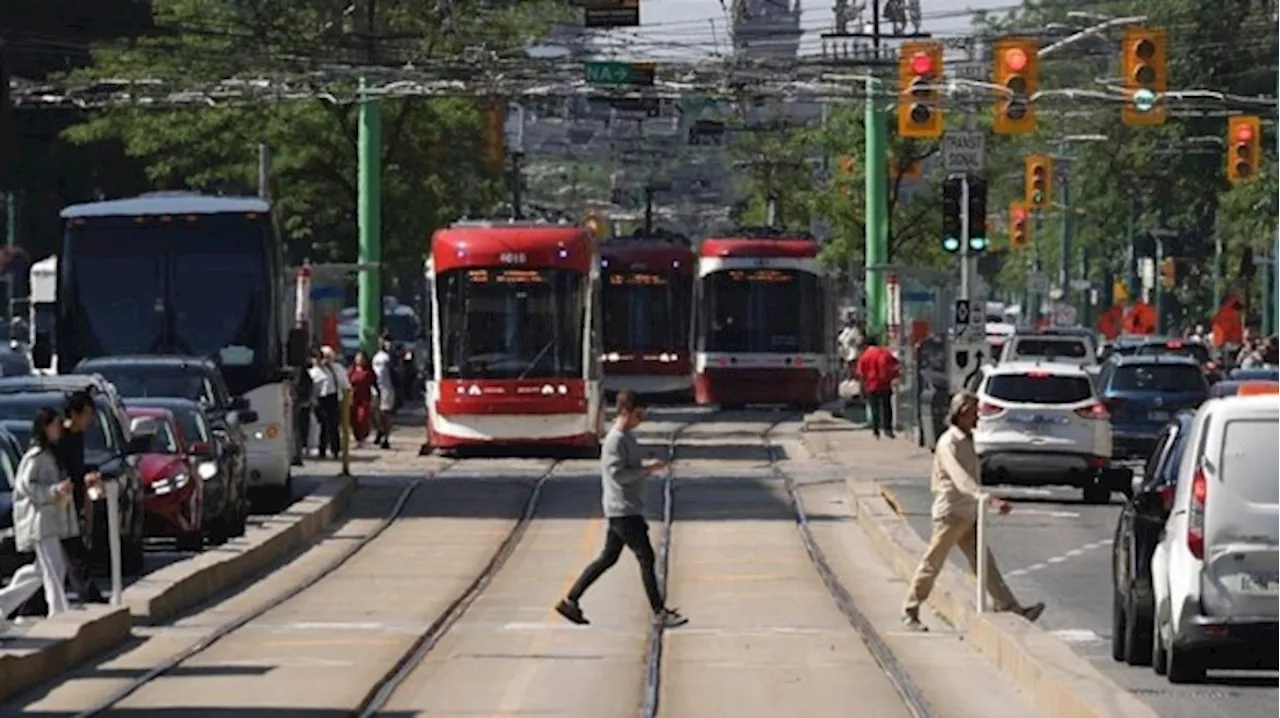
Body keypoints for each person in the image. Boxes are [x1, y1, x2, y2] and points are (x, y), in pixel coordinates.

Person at [901, 392, 1044, 631]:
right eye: (973, 413)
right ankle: (910, 610)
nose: (977, 417)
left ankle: (1010, 607)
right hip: (951, 514)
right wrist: (984, 498)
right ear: (961, 413)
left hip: (968, 513)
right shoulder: (949, 443)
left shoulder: (967, 440)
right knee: (933, 562)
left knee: (984, 564)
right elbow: (960, 478)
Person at [555, 390, 687, 629]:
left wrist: (645, 466)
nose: (641, 419)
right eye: (638, 414)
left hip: (623, 508)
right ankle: (659, 612)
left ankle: (570, 600)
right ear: (625, 412)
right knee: (646, 558)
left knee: (607, 558)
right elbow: (618, 474)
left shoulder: (626, 437)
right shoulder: (616, 439)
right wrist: (648, 470)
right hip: (624, 510)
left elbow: (626, 469)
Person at [1, 408, 78, 623]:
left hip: (50, 519)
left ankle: (4, 601)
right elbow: (25, 486)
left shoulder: (50, 454)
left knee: (39, 570)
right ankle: (58, 612)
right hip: (40, 522)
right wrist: (53, 491)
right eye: (55, 425)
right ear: (46, 427)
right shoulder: (35, 456)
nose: (59, 429)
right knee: (55, 568)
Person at [54, 391, 107, 604]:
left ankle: (28, 604)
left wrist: (88, 474)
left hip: (73, 503)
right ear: (75, 414)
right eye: (87, 414)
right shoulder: (61, 437)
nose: (90, 420)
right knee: (73, 553)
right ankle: (89, 595)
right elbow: (58, 470)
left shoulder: (77, 436)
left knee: (51, 562)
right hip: (59, 504)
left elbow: (77, 468)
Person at [854, 336, 900, 439]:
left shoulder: (865, 356)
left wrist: (862, 387)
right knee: (886, 407)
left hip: (871, 385)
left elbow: (861, 373)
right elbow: (895, 364)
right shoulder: (885, 352)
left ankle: (876, 431)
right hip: (885, 383)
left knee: (874, 408)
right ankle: (888, 429)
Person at [371, 335, 396, 449]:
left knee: (385, 413)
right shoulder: (376, 357)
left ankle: (386, 438)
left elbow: (396, 372)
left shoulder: (391, 357)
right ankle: (379, 430)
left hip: (387, 387)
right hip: (375, 387)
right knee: (374, 413)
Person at [348, 352, 375, 446]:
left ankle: (363, 436)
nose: (360, 360)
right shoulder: (352, 369)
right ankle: (357, 438)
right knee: (353, 418)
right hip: (353, 396)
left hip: (364, 397)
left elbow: (373, 382)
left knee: (362, 417)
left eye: (362, 358)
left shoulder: (369, 371)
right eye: (358, 358)